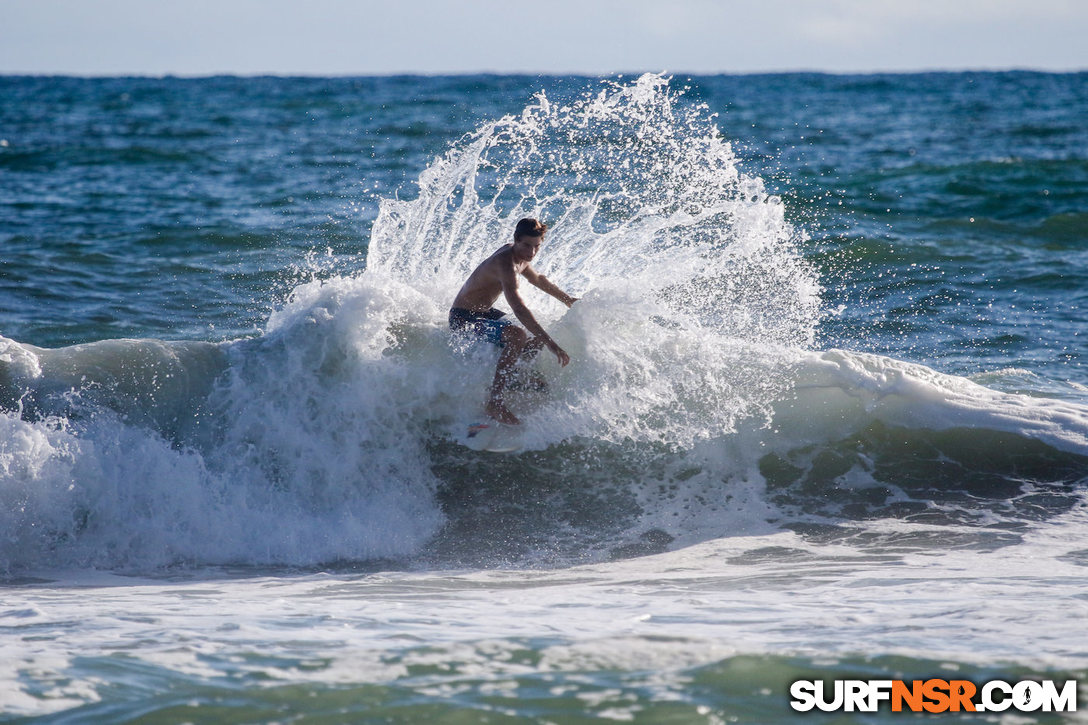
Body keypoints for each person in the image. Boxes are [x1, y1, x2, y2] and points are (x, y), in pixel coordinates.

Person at [449, 218, 577, 425]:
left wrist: (568, 300)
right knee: (519, 334)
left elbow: (538, 279)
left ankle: (516, 379)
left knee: (535, 339)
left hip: (486, 313)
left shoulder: (522, 257)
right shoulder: (505, 263)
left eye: (537, 247)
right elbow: (518, 309)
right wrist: (552, 345)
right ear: (516, 240)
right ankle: (495, 402)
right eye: (527, 245)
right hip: (463, 318)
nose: (531, 253)